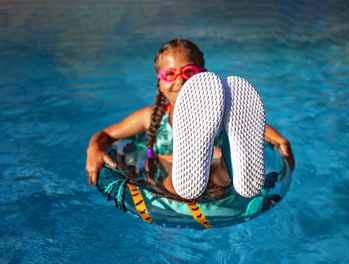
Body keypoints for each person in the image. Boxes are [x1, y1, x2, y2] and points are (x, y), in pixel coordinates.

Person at [86, 39, 294, 200]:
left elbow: (251, 125)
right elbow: (106, 134)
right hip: (173, 178)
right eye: (169, 74)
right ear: (159, 83)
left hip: (183, 188)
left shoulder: (214, 113)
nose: (179, 80)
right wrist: (94, 147)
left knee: (204, 176)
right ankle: (225, 166)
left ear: (203, 76)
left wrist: (281, 140)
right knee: (207, 175)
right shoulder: (150, 116)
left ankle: (227, 163)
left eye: (189, 72)